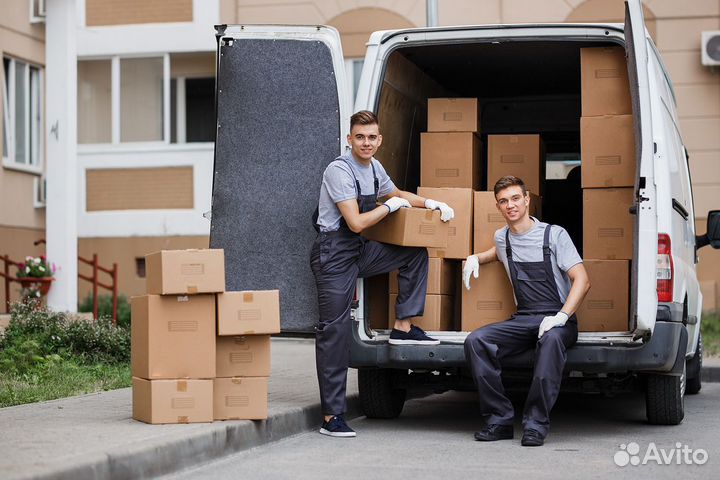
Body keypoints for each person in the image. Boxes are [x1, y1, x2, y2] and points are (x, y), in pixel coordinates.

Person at [311, 110, 455, 438]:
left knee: (414, 253)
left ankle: (402, 327)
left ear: (380, 140)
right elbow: (356, 223)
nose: (366, 142)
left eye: (372, 137)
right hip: (333, 253)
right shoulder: (340, 170)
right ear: (350, 139)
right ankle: (331, 417)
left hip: (359, 250)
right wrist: (389, 208)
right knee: (333, 333)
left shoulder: (375, 167)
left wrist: (431, 203)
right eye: (359, 137)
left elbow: (398, 195)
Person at [462, 175, 590, 447]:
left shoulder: (554, 234)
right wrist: (476, 258)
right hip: (525, 317)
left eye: (515, 198)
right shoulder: (502, 237)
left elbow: (582, 279)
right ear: (498, 207)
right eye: (503, 201)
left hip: (558, 317)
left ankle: (535, 424)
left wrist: (562, 317)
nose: (510, 205)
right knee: (476, 341)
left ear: (527, 199)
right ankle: (499, 420)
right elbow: (497, 251)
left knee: (551, 342)